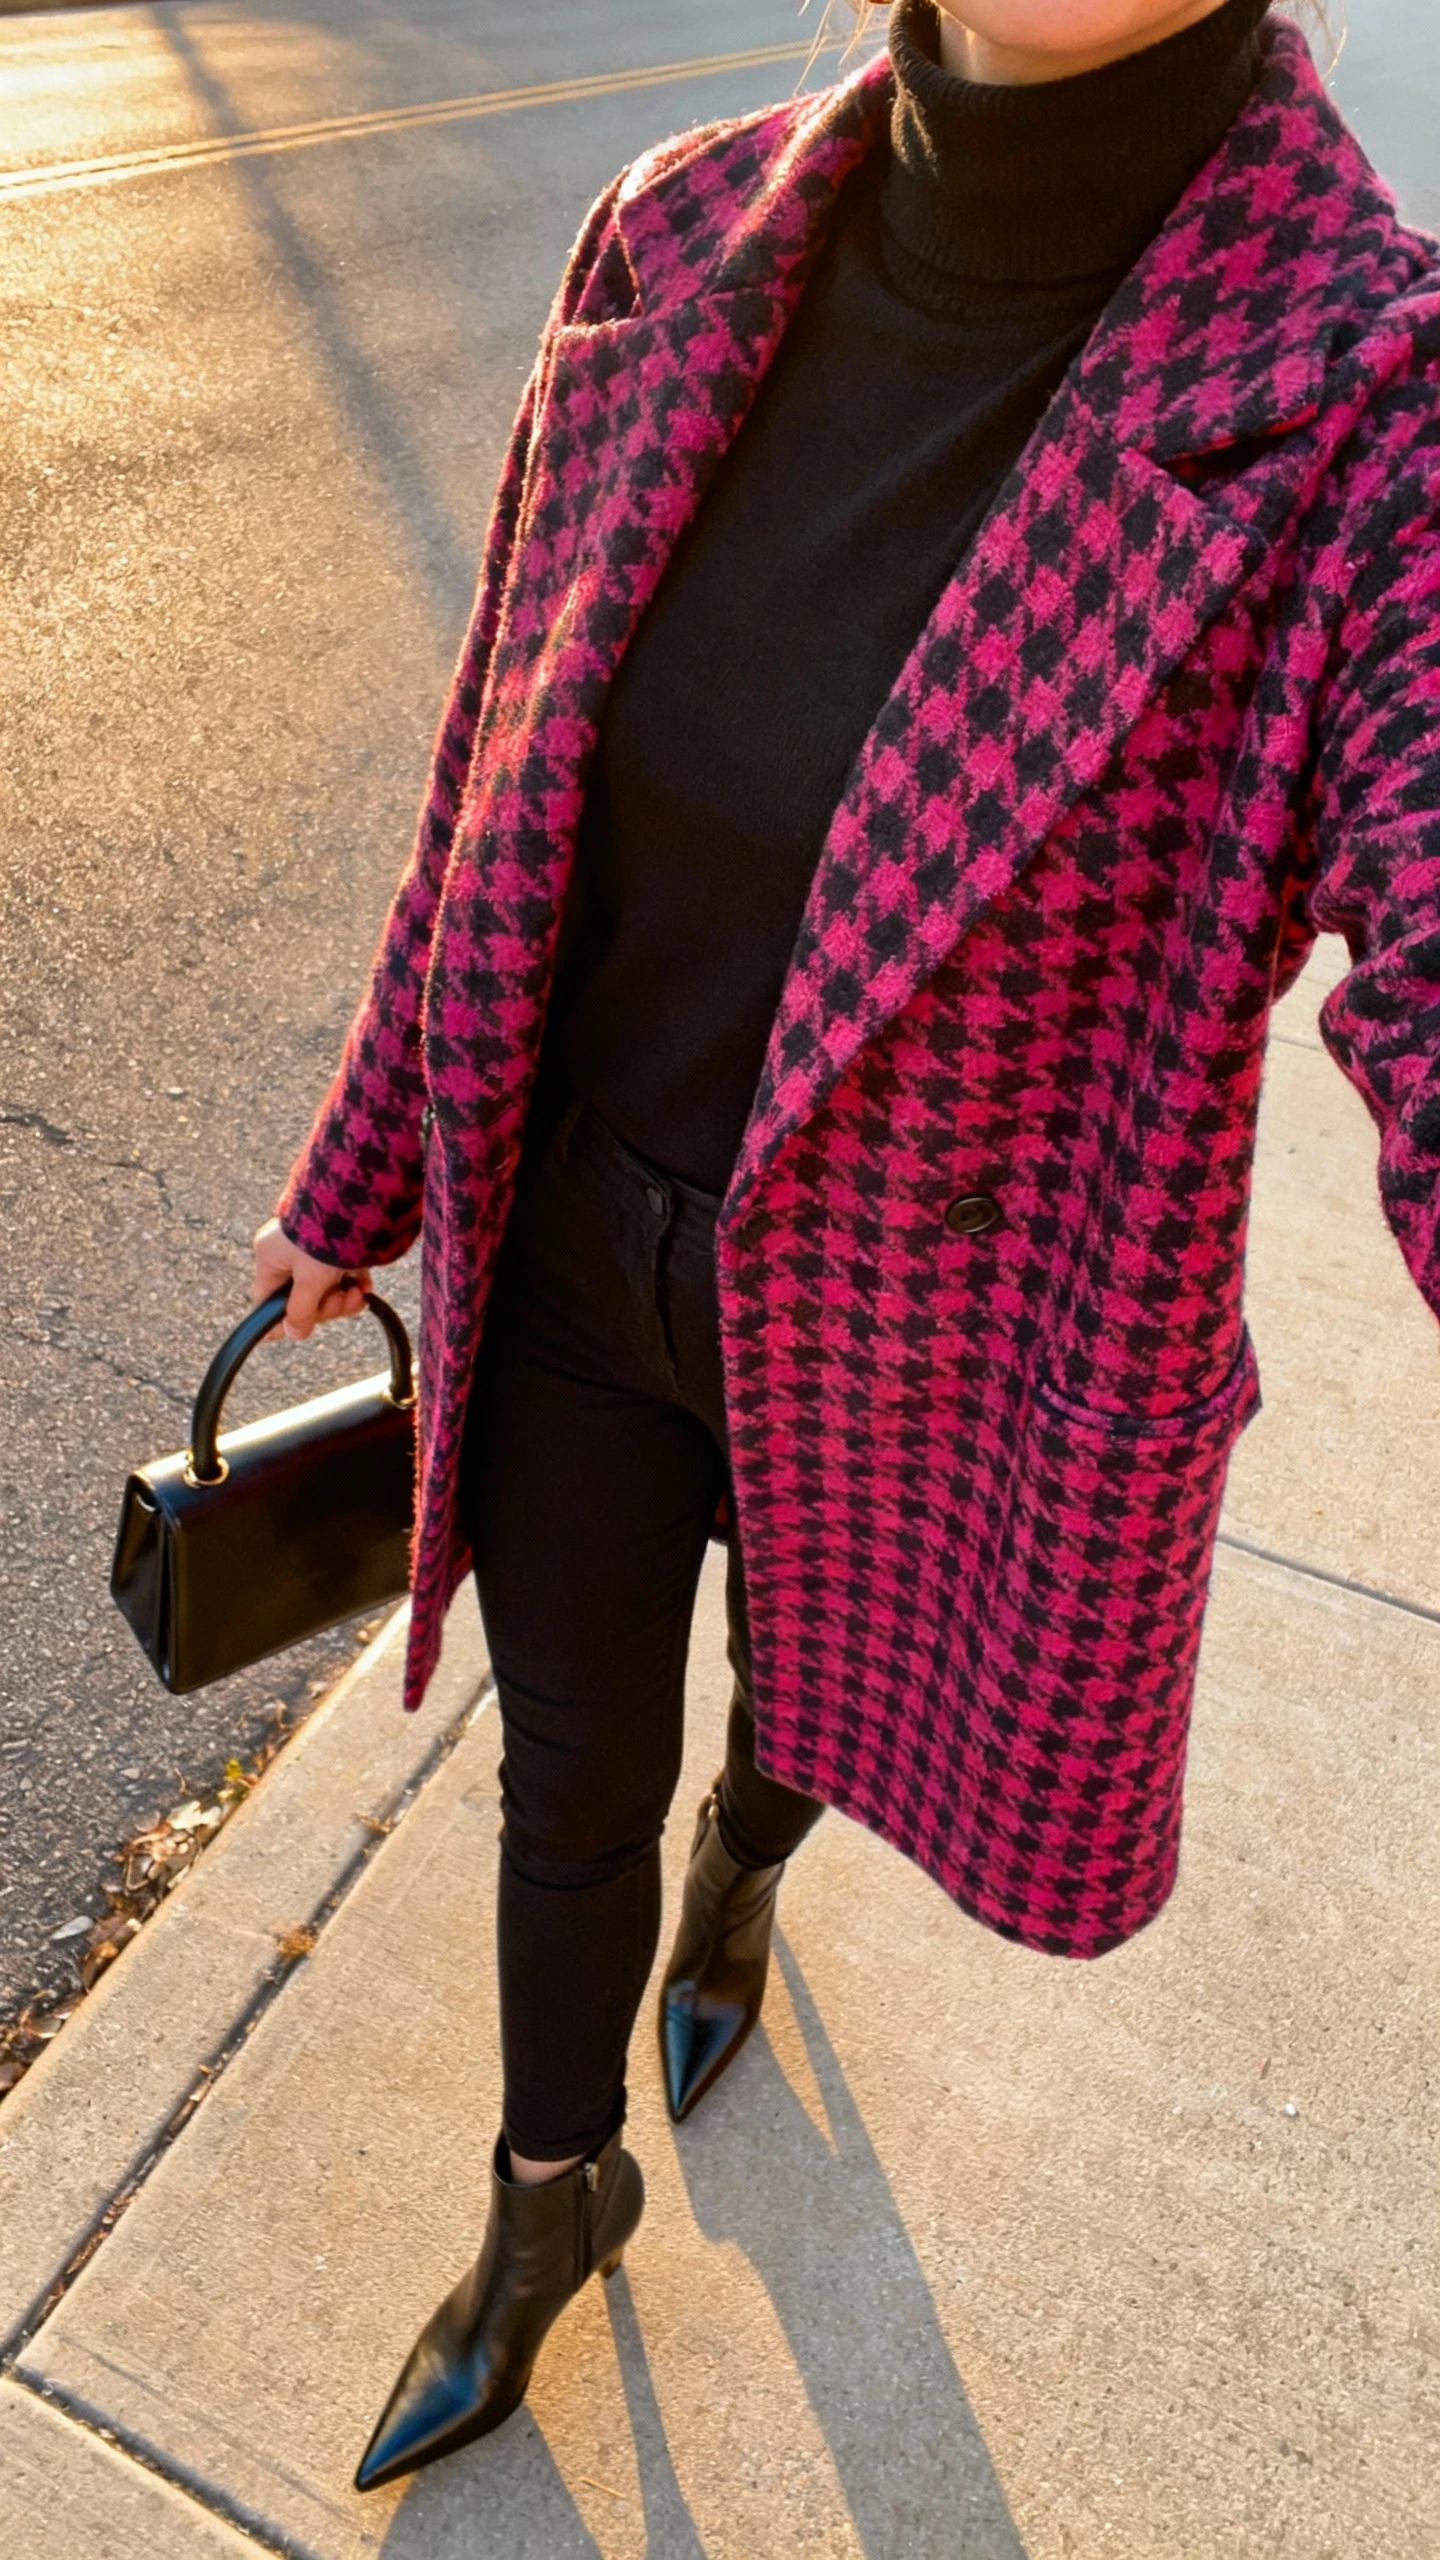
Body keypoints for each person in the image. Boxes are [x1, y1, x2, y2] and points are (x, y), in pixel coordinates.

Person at [253, 0, 1440, 2492]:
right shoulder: (679, 234)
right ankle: (545, 2195)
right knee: (560, 1761)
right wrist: (362, 1179)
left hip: (934, 1341)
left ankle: (750, 1878)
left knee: (808, 1704)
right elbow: (494, 773)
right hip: (578, 1253)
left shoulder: (1375, 407)